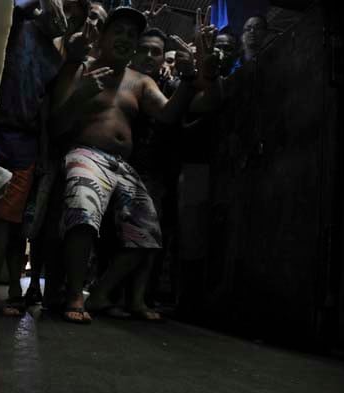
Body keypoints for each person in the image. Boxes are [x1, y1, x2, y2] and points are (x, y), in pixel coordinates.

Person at [50, 6, 219, 324]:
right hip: (86, 154)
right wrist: (81, 96)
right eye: (119, 31)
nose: (125, 38)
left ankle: (100, 292)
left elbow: (168, 115)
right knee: (83, 211)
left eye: (132, 34)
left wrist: (188, 77)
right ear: (102, 36)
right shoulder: (80, 67)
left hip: (123, 165)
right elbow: (56, 125)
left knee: (148, 232)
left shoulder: (140, 81)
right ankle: (74, 294)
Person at [0, 0, 89, 316]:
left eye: (74, 18)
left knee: (6, 219)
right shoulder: (18, 26)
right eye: (64, 8)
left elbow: (45, 108)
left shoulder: (57, 59)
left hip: (23, 141)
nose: (65, 18)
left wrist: (41, 152)